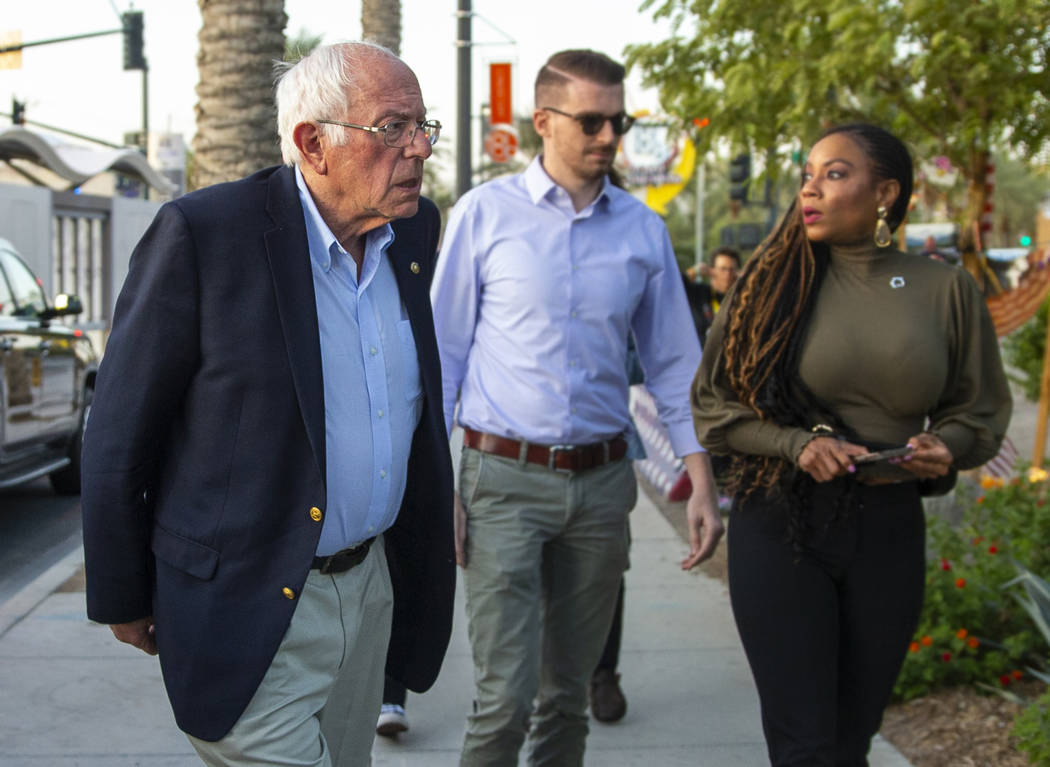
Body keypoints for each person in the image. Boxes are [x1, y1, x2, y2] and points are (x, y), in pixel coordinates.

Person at [80, 41, 455, 767]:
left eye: (423, 126)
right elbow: (121, 432)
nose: (419, 149)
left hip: (369, 588)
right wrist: (122, 590)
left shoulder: (412, 230)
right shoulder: (204, 235)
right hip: (253, 599)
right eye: (392, 128)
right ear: (313, 143)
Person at [431, 49, 724, 766]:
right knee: (504, 699)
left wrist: (700, 478)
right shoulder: (483, 214)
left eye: (616, 120)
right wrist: (440, 488)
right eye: (590, 120)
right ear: (543, 122)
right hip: (501, 481)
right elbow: (442, 357)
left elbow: (673, 365)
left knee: (567, 699)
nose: (607, 136)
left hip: (601, 486)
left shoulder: (643, 230)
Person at [692, 123, 1011, 766]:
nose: (810, 188)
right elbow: (712, 406)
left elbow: (977, 411)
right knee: (804, 745)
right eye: (808, 174)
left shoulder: (944, 289)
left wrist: (945, 446)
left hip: (889, 526)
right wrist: (794, 444)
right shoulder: (767, 287)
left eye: (834, 174)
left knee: (850, 740)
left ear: (885, 193)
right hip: (783, 523)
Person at [683, 246, 741, 346]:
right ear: (712, 270)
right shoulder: (699, 293)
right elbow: (674, 285)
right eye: (723, 269)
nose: (727, 274)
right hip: (700, 357)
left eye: (732, 269)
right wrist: (695, 271)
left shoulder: (742, 298)